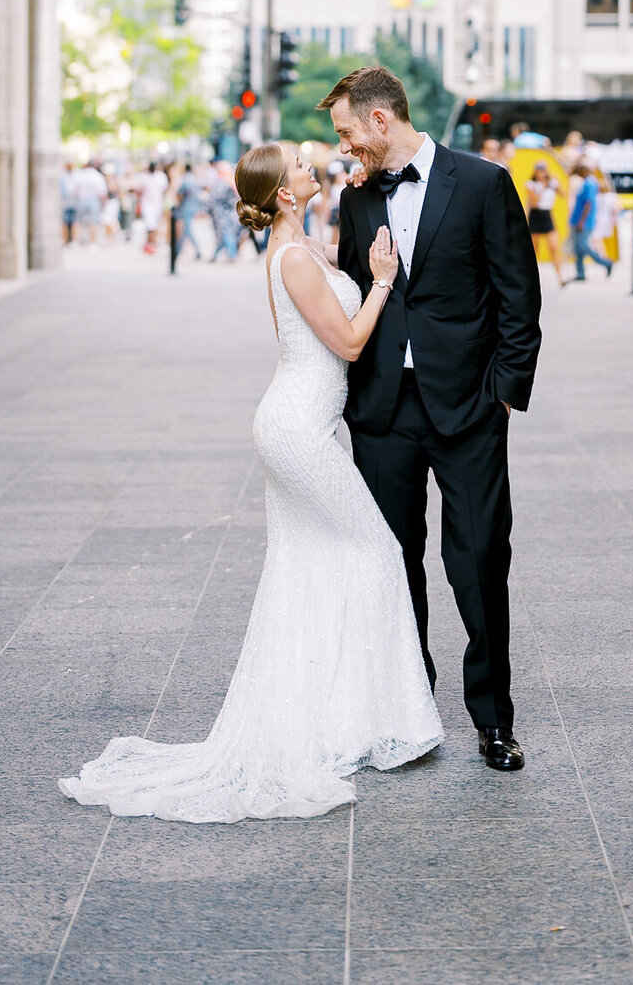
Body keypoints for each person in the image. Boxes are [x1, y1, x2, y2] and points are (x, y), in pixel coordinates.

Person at [60, 141, 440, 823]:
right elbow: (349, 343)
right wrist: (382, 278)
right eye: (301, 165)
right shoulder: (292, 257)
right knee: (377, 551)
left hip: (304, 421)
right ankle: (374, 720)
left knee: (311, 565)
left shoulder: (300, 246)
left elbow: (326, 272)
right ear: (285, 194)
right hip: (297, 428)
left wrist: (360, 179)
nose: (312, 164)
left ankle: (339, 718)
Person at [322, 65, 542, 774]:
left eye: (350, 132)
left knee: (477, 562)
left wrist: (505, 392)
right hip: (383, 409)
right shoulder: (357, 199)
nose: (346, 147)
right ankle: (409, 709)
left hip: (470, 408)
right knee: (392, 564)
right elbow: (358, 291)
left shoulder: (482, 183)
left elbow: (519, 294)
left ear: (382, 120)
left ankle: (494, 721)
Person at [568, 161, 612, 281]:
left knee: (583, 246)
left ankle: (605, 262)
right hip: (578, 220)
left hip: (584, 222)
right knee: (578, 248)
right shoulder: (585, 183)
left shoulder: (590, 184)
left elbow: (589, 203)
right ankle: (580, 272)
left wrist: (582, 221)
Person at [524, 161, 567, 286]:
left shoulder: (552, 184)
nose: (542, 173)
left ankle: (560, 276)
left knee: (554, 247)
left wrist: (556, 182)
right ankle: (531, 278)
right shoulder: (531, 184)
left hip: (547, 215)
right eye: (540, 171)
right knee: (534, 249)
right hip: (536, 215)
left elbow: (563, 194)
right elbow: (534, 202)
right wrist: (543, 186)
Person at [137, 160, 169, 254]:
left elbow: (164, 190)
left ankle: (152, 243)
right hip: (147, 204)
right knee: (150, 225)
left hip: (157, 204)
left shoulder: (161, 176)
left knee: (154, 225)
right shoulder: (144, 176)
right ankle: (150, 243)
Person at [60, 160, 78, 245]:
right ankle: (72, 240)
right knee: (73, 222)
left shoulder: (63, 176)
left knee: (66, 222)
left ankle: (67, 240)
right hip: (73, 201)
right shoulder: (76, 175)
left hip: (66, 201)